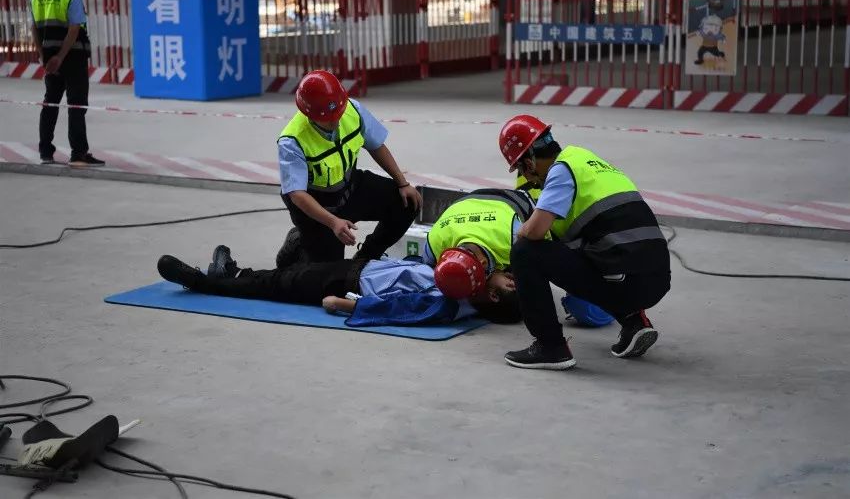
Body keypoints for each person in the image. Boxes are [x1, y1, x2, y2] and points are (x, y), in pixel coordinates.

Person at [497, 114, 671, 370]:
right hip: (658, 278)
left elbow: (535, 232)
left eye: (522, 170)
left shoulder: (561, 171)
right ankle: (634, 322)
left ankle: (550, 347)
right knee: (588, 250)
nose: (528, 178)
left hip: (627, 283)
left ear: (529, 162)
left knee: (525, 252)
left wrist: (520, 234)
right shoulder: (585, 160)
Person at [156, 245, 520, 325]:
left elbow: (397, 310)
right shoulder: (463, 283)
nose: (510, 276)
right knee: (288, 277)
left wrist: (344, 305)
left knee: (277, 285)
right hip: (363, 268)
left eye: (509, 283)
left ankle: (205, 281)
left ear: (492, 294)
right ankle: (238, 272)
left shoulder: (449, 304)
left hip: (349, 283)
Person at [276, 70, 421, 266]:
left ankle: (365, 258)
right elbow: (297, 195)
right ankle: (298, 244)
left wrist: (403, 184)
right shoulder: (292, 141)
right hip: (317, 208)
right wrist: (333, 222)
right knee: (328, 275)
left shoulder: (352, 109)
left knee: (407, 202)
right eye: (328, 118)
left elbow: (376, 146)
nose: (336, 120)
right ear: (309, 114)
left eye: (338, 112)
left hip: (350, 188)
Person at [30, 0, 103, 168]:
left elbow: (34, 28)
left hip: (50, 59)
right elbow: (74, 29)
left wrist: (43, 56)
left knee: (50, 103)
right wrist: (61, 57)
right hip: (72, 57)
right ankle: (78, 153)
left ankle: (45, 152)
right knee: (76, 105)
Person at [422, 188, 539, 317]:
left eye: (484, 279)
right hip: (467, 199)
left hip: (512, 198)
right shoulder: (433, 248)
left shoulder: (514, 240)